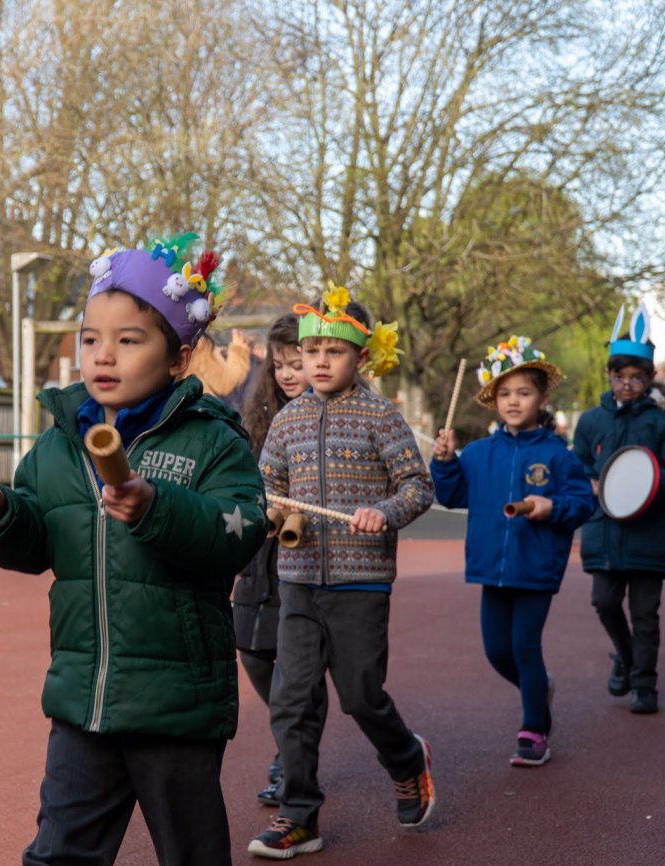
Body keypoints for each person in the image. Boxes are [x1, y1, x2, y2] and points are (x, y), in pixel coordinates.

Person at [0, 237, 266, 866]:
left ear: (179, 358)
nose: (103, 355)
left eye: (128, 340)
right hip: (84, 698)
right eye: (90, 338)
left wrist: (157, 508)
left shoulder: (212, 440)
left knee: (192, 853)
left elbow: (239, 532)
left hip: (175, 703)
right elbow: (36, 540)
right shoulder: (58, 445)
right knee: (59, 853)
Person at [248, 284, 435, 859]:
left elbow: (418, 487)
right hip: (298, 580)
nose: (320, 362)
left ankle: (406, 758)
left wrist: (384, 512)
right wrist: (267, 511)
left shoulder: (380, 415)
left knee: (360, 696)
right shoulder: (287, 421)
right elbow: (266, 489)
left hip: (361, 582)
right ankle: (299, 816)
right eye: (312, 352)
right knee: (292, 701)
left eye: (334, 351)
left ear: (361, 356)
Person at [431, 337, 595, 766]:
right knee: (497, 652)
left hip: (537, 566)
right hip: (491, 567)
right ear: (494, 400)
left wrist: (552, 507)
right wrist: (445, 463)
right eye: (504, 393)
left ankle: (534, 729)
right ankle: (538, 689)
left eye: (523, 393)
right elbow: (452, 495)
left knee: (524, 647)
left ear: (542, 399)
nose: (513, 401)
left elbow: (583, 503)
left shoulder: (558, 455)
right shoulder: (477, 453)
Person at [573, 302, 665, 715]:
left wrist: (650, 484)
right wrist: (589, 482)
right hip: (605, 532)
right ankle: (627, 658)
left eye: (636, 377)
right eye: (619, 376)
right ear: (608, 375)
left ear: (649, 378)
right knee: (604, 602)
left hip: (650, 533)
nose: (627, 384)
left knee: (646, 613)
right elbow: (577, 465)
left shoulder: (664, 423)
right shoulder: (591, 421)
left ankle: (645, 683)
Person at [234, 314, 308, 806]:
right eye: (279, 365)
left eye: (296, 364)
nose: (286, 374)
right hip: (258, 553)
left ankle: (292, 759)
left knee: (296, 675)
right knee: (253, 653)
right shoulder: (258, 413)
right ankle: (292, 742)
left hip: (303, 555)